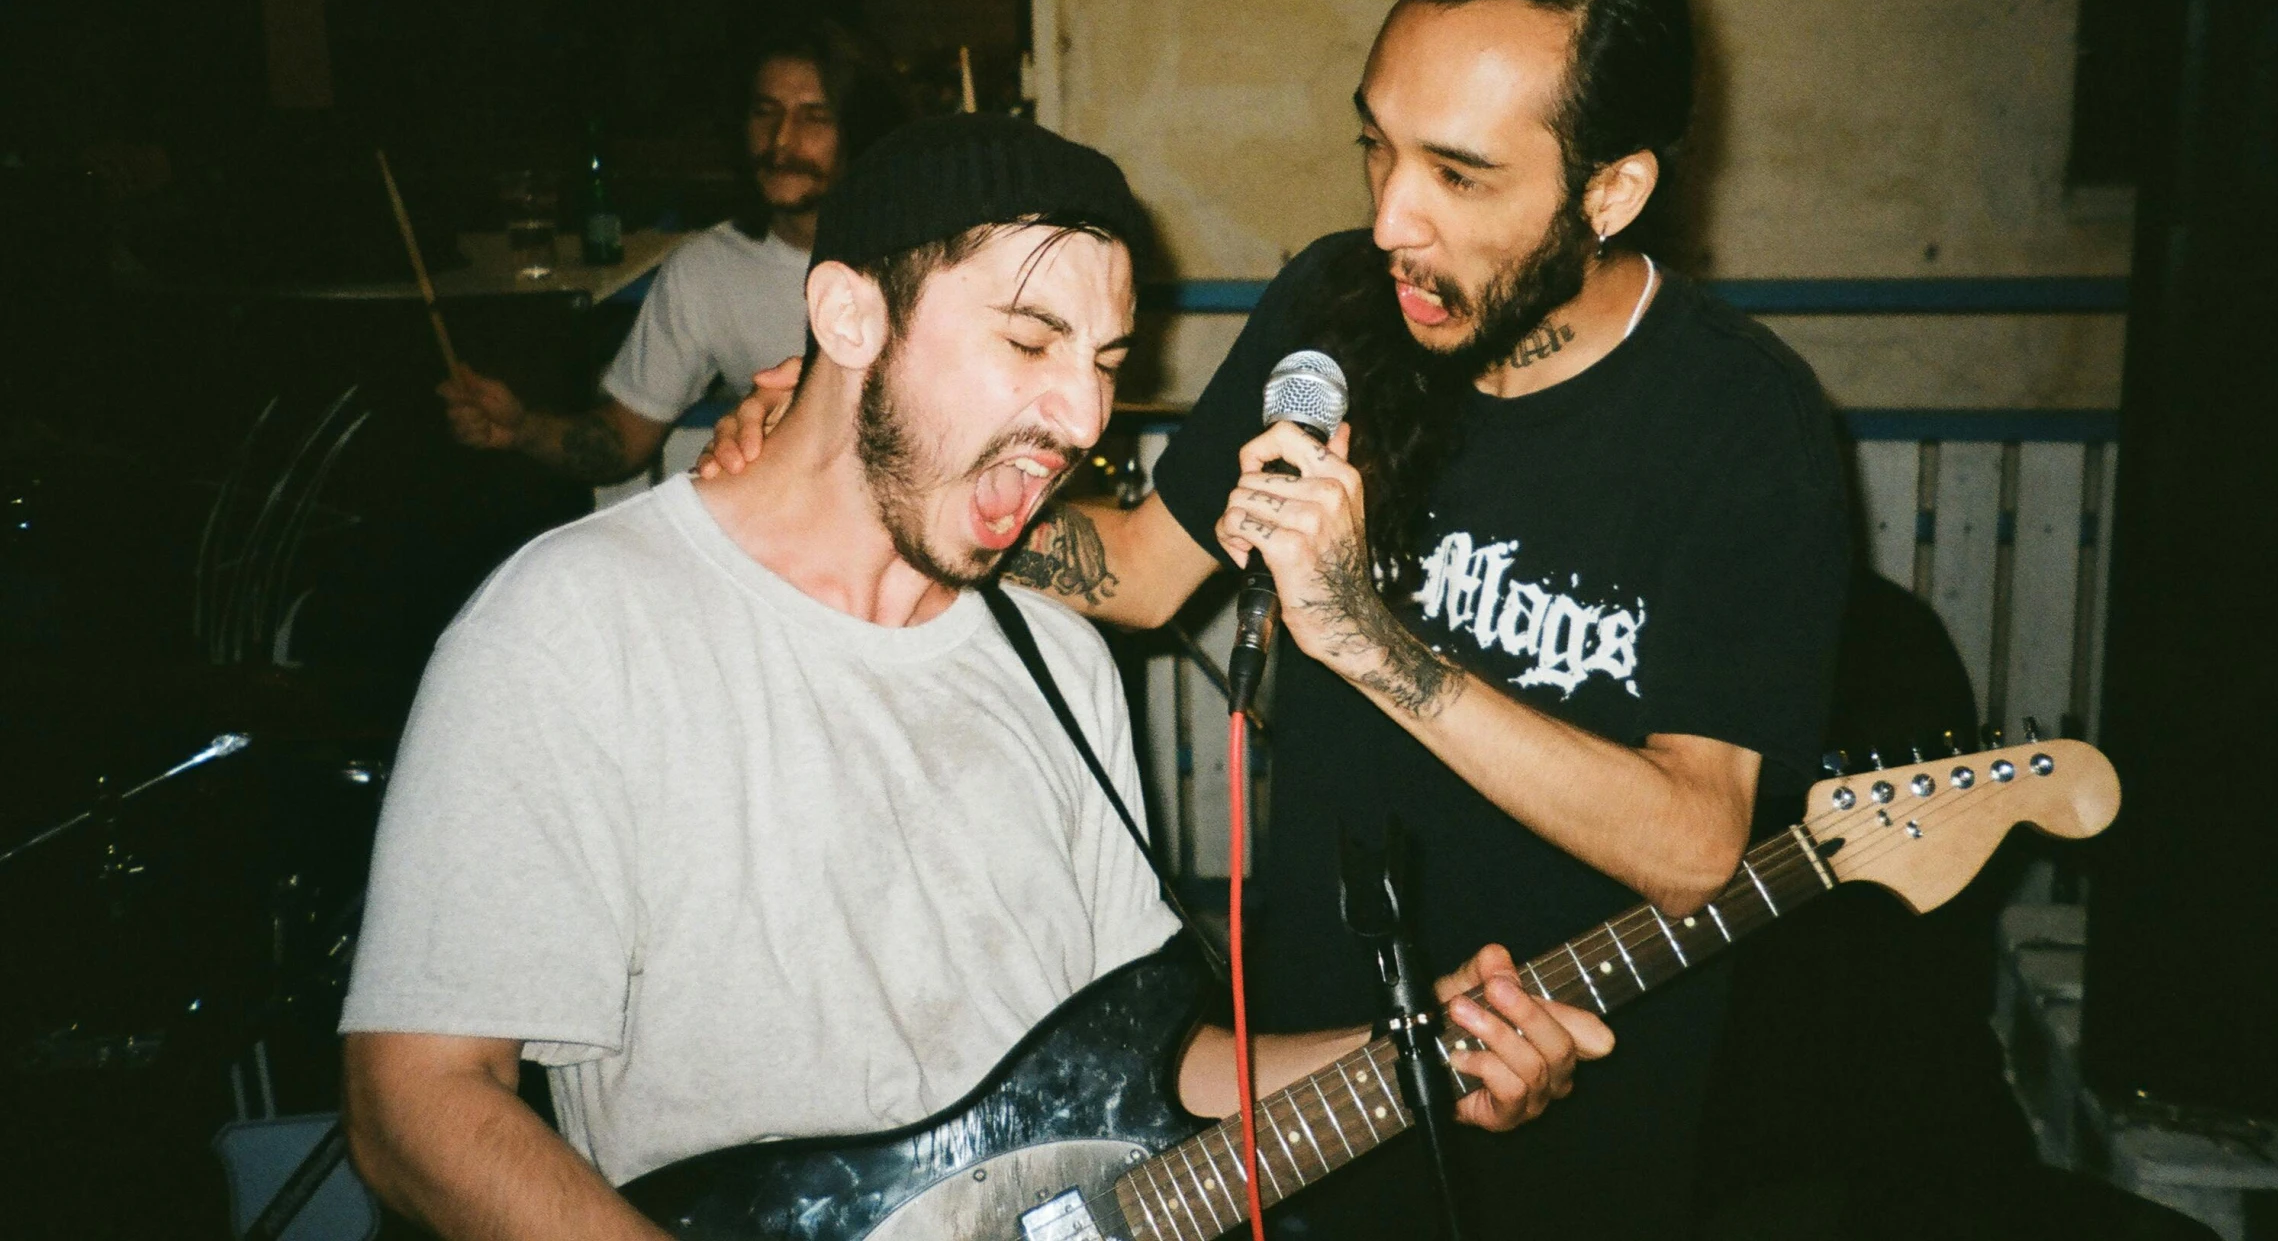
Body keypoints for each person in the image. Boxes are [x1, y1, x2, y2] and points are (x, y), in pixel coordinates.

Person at [706, 0, 1851, 1233]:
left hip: (1558, 1111)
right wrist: (891, 476)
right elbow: (1137, 569)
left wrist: (1367, 637)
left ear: (1611, 189)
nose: (1391, 221)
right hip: (1292, 1081)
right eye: (1379, 147)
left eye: (1460, 174)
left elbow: (1698, 842)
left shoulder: (1743, 426)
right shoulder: (1335, 306)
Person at [338, 115, 1608, 1237]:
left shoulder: (1056, 659)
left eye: (1106, 362)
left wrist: (1422, 1057)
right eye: (1028, 338)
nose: (1082, 416)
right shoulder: (576, 626)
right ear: (848, 319)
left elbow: (1146, 1077)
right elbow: (417, 1104)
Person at [437, 22, 905, 484]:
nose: (781, 140)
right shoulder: (707, 269)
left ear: (862, 130)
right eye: (765, 112)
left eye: (814, 117)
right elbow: (623, 438)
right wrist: (524, 429)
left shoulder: (920, 253)